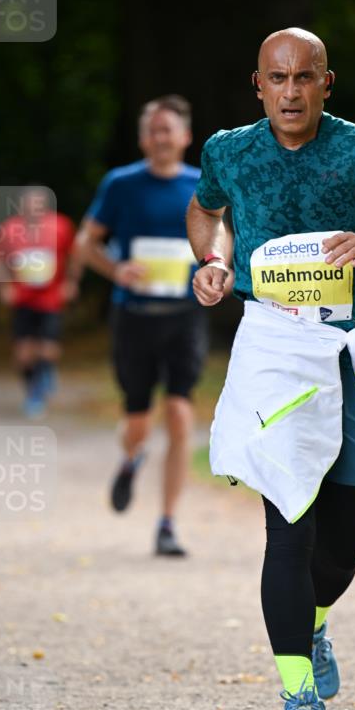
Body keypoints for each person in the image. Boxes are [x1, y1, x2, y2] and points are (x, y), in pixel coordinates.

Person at [187, 28, 355, 710]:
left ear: (326, 84)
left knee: (338, 554)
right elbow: (205, 210)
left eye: (305, 78)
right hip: (271, 349)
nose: (291, 92)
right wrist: (210, 258)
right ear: (258, 84)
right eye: (278, 78)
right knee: (287, 524)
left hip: (347, 354)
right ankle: (299, 702)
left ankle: (317, 619)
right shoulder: (227, 151)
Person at [75, 95, 218, 557]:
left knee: (179, 414)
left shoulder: (201, 184)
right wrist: (116, 269)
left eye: (168, 129)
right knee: (137, 420)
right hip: (133, 318)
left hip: (183, 317)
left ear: (185, 137)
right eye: (153, 130)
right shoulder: (121, 184)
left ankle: (168, 523)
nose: (161, 137)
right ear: (143, 138)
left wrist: (216, 266)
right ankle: (132, 457)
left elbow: (223, 235)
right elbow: (85, 243)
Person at [0, 185, 81, 417]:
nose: (33, 209)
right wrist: (4, 287)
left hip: (51, 298)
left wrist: (71, 282)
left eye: (38, 204)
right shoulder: (10, 228)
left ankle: (42, 384)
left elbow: (76, 255)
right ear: (21, 207)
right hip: (22, 298)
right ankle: (32, 388)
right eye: (29, 204)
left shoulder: (61, 226)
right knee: (23, 354)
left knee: (48, 349)